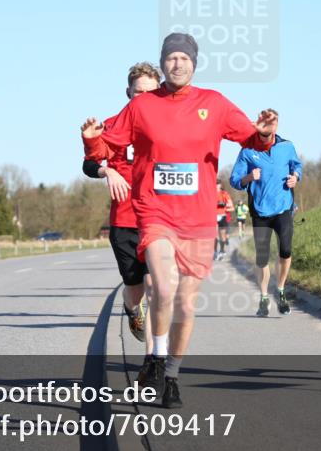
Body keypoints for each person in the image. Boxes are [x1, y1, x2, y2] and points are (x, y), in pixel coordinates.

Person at [83, 33, 277, 409]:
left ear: (194, 63)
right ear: (163, 63)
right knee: (163, 286)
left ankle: (171, 374)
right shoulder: (142, 106)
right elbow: (107, 145)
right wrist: (92, 141)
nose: (177, 64)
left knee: (186, 305)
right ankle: (156, 358)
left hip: (198, 219)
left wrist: (265, 134)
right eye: (171, 58)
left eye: (184, 58)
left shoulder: (214, 103)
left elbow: (252, 139)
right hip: (155, 212)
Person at [81, 63, 161, 354]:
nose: (144, 98)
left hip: (158, 220)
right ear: (128, 92)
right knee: (135, 288)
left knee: (156, 288)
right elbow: (90, 162)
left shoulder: (168, 127)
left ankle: (154, 361)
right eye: (139, 92)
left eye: (151, 92)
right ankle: (131, 309)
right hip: (124, 220)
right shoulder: (111, 126)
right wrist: (107, 171)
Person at [230, 109, 302, 317]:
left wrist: (296, 177)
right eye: (265, 125)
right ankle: (263, 297)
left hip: (283, 207)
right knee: (262, 258)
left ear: (276, 126)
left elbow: (297, 166)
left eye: (273, 124)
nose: (269, 129)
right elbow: (235, 180)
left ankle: (280, 290)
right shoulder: (247, 151)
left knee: (285, 250)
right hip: (260, 211)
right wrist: (249, 177)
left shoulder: (287, 146)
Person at [214, 183, 234, 260]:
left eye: (217, 184)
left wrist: (224, 207)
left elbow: (231, 207)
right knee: (214, 234)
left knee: (222, 235)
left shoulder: (224, 194)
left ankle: (222, 250)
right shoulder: (210, 193)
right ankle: (215, 251)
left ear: (220, 185)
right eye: (215, 184)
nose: (216, 186)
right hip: (213, 216)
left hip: (222, 216)